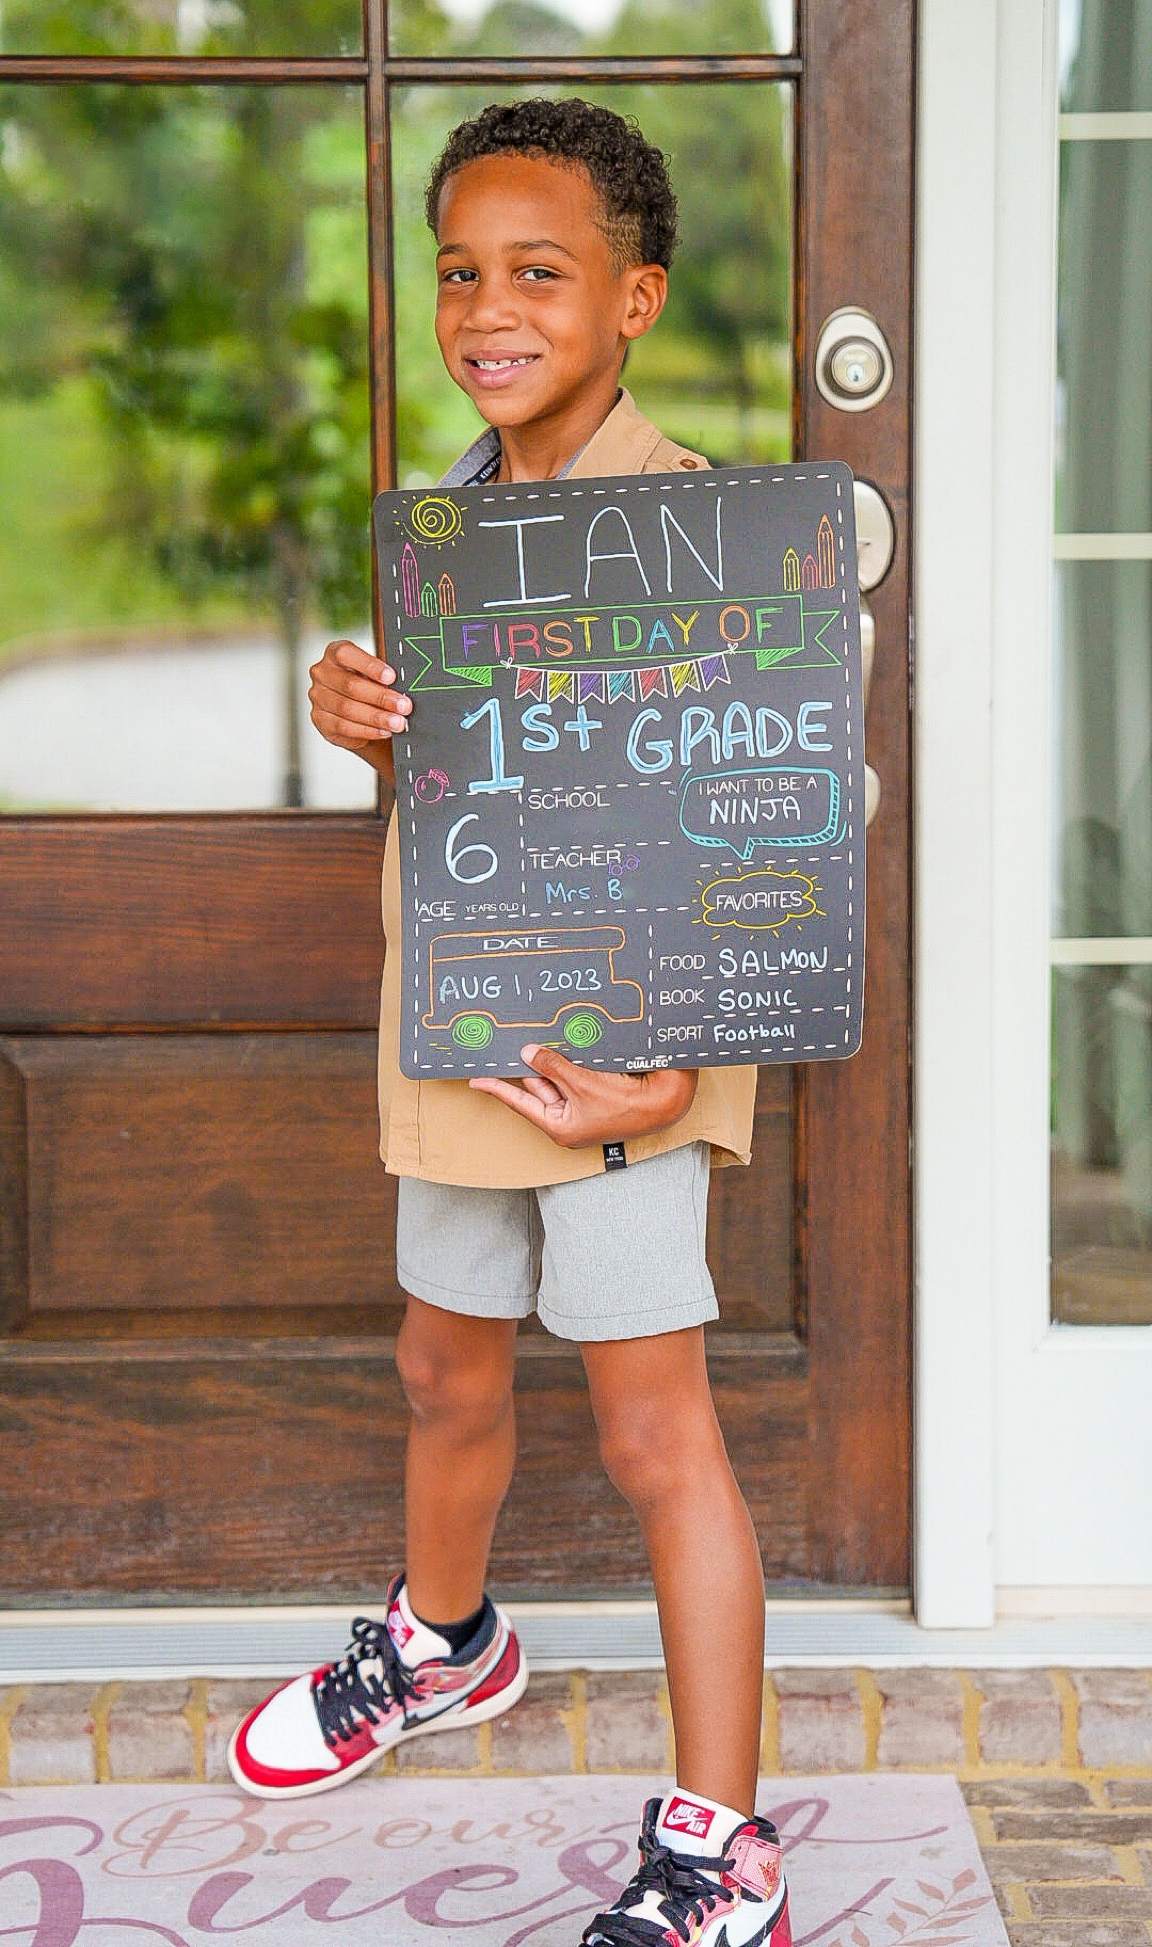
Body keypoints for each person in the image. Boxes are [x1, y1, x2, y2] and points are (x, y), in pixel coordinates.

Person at [228, 98, 791, 1947]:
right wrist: (361, 714)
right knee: (442, 1366)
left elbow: (774, 812)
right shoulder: (447, 532)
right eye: (460, 271)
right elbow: (482, 791)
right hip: (466, 1032)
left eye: (539, 272)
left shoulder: (701, 530)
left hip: (626, 1058)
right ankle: (448, 1641)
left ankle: (724, 1845)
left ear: (636, 298)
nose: (488, 309)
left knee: (652, 1434)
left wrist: (681, 1065)